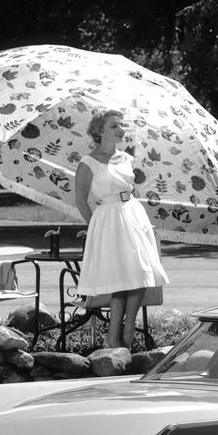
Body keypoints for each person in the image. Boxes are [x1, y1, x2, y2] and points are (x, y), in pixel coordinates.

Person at [74, 109, 169, 350]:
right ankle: (114, 337)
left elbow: (129, 190)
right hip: (107, 219)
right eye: (114, 125)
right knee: (120, 280)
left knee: (139, 273)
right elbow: (80, 200)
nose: (120, 129)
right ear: (99, 131)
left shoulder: (127, 159)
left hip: (133, 214)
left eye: (121, 125)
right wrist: (95, 227)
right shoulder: (88, 163)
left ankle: (128, 328)